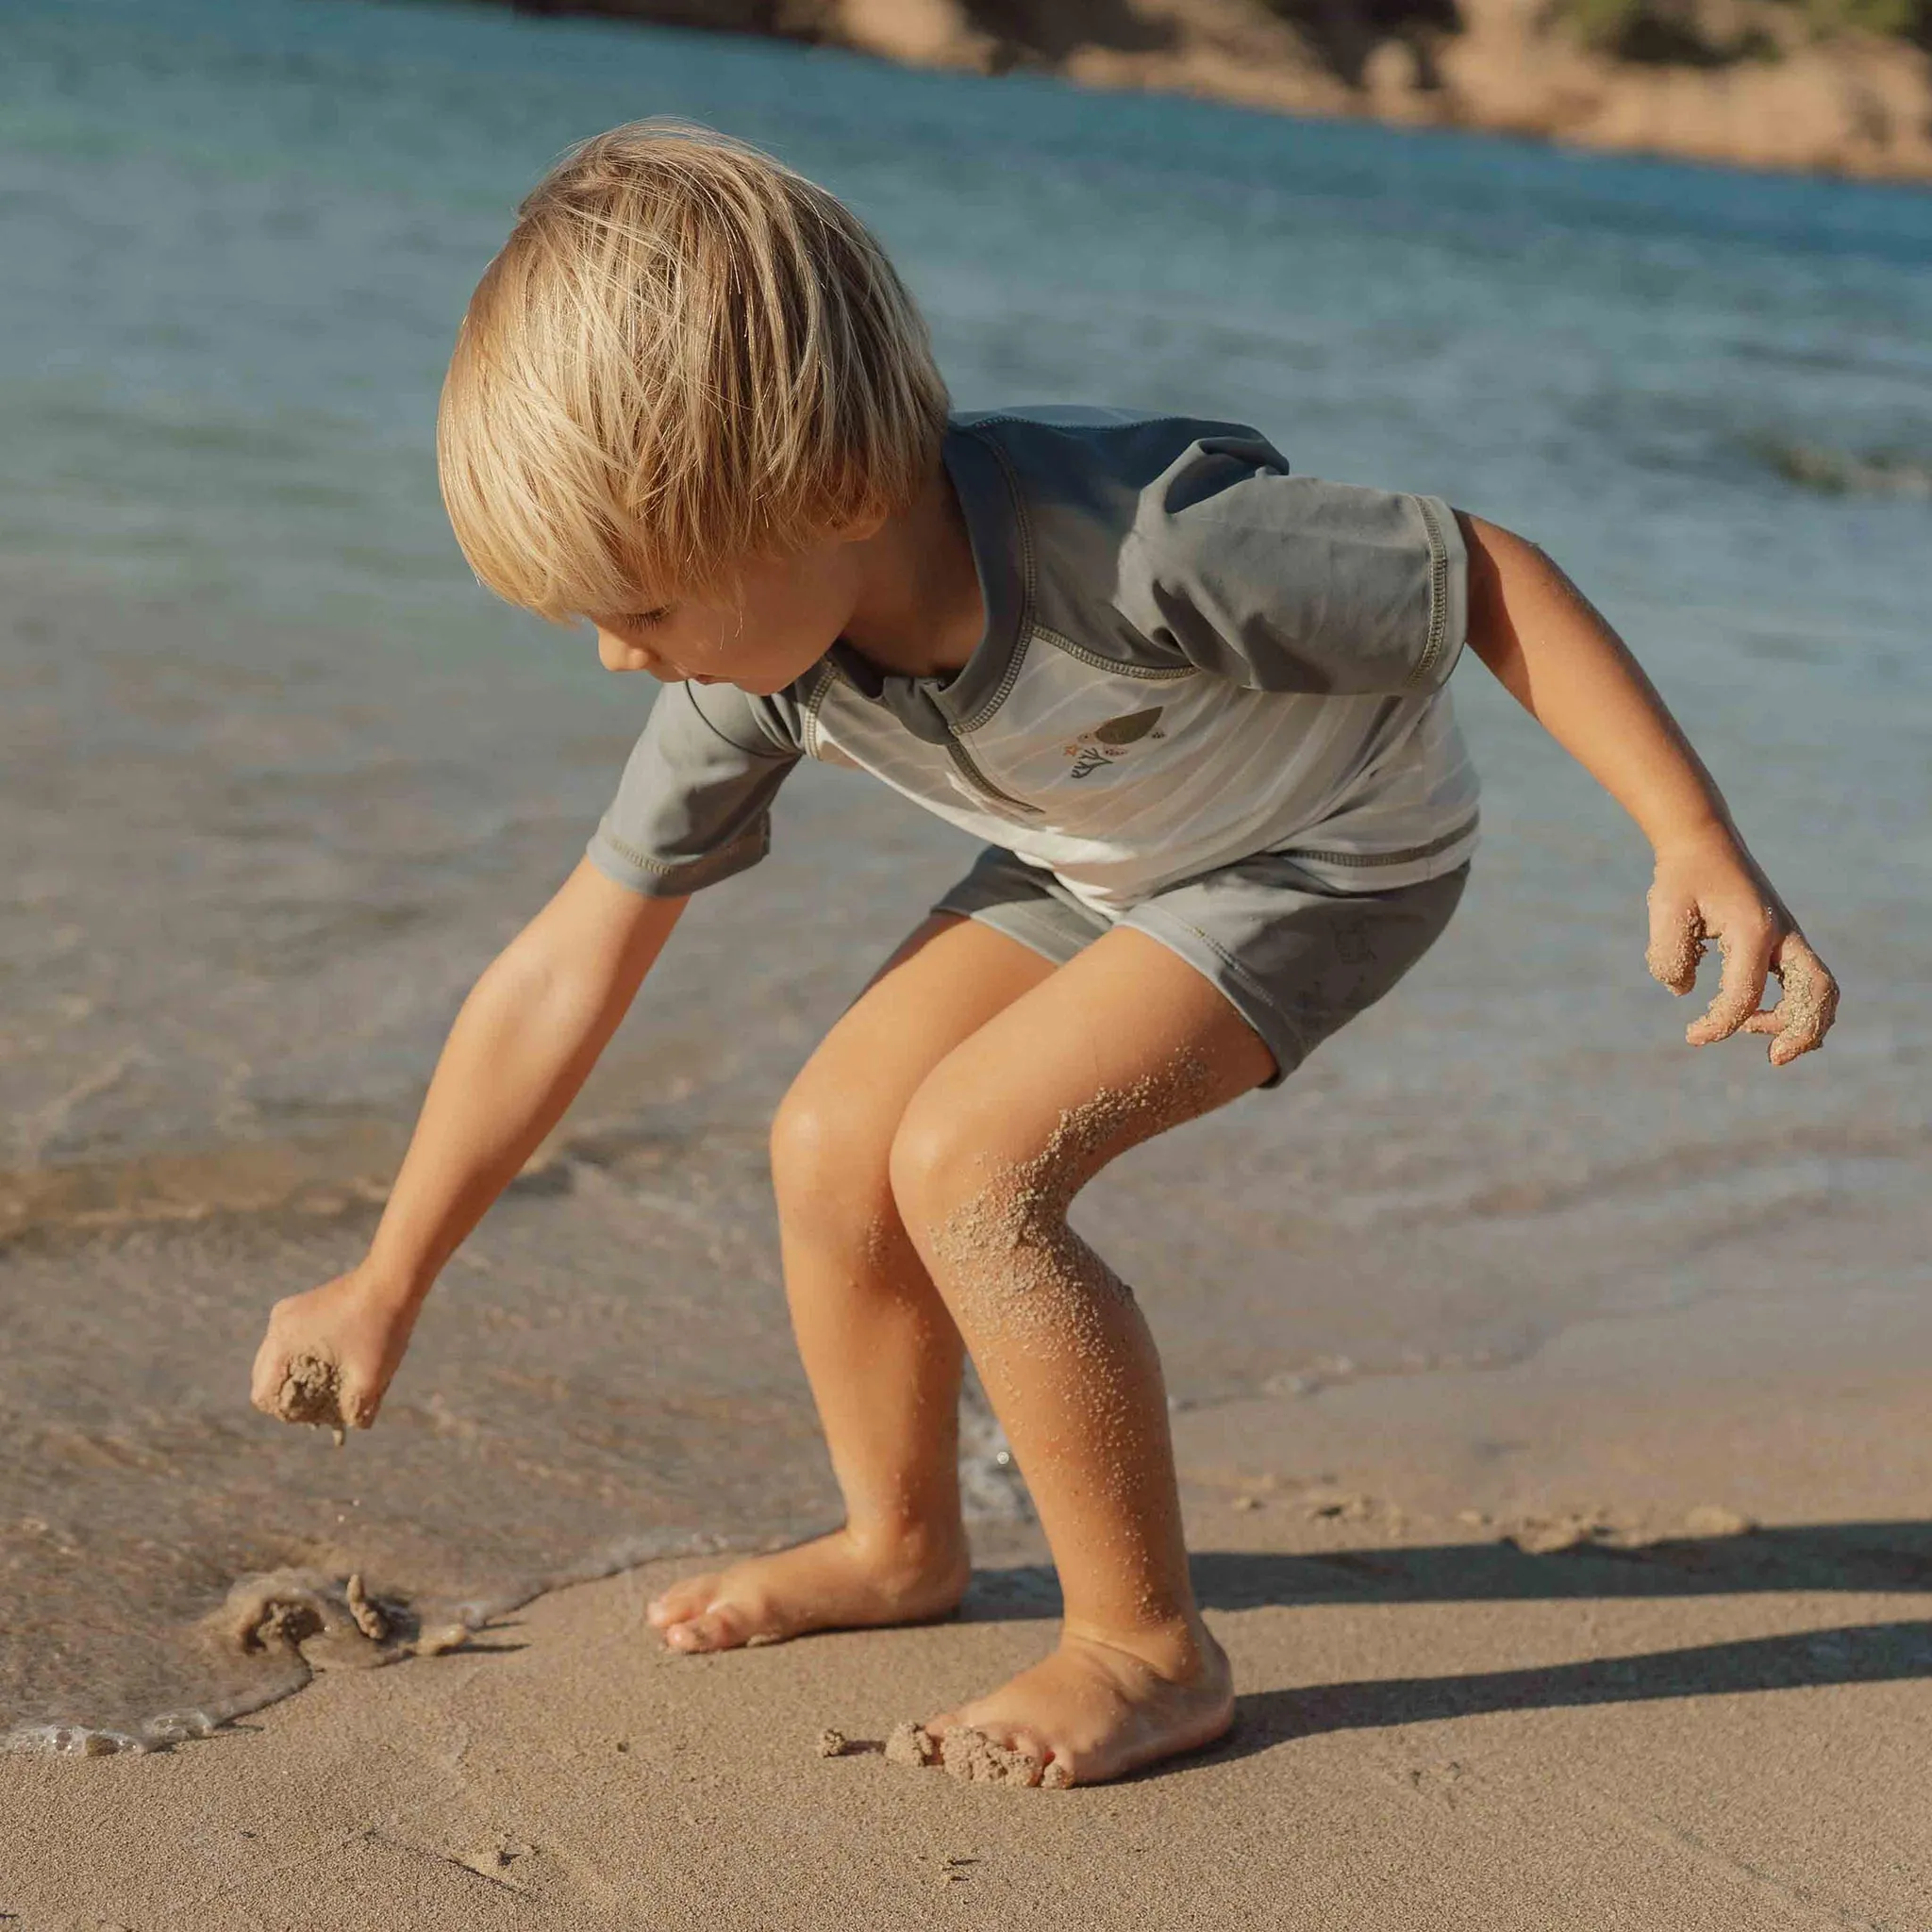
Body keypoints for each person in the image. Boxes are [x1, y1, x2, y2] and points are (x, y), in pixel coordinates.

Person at [250, 120, 1839, 1788]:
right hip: (1103, 845)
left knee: (972, 1163)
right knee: (829, 1144)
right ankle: (899, 1546)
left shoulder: (1145, 545)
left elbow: (1484, 576)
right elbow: (571, 959)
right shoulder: (749, 660)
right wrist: (388, 1274)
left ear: (827, 495)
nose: (607, 656)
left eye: (637, 605)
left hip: (1329, 854)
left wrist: (1690, 834)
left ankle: (1147, 1650)